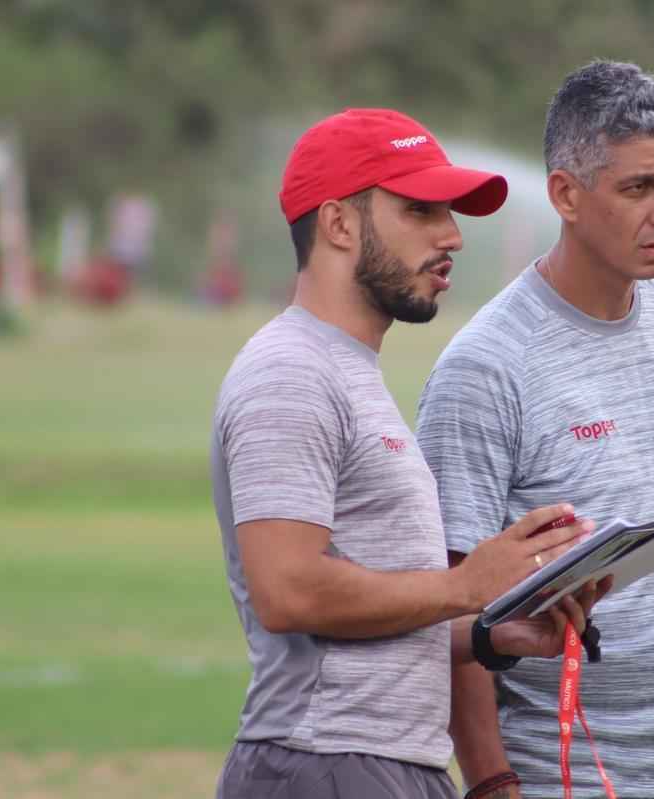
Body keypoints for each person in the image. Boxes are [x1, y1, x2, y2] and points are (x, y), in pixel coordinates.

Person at [210, 108, 607, 799]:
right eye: (420, 210)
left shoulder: (347, 370)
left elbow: (371, 614)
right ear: (338, 224)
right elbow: (287, 588)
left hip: (377, 765)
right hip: (324, 762)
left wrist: (495, 629)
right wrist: (468, 585)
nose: (451, 234)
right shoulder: (291, 373)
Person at [416, 61, 654, 799]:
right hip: (556, 778)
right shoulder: (487, 365)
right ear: (566, 196)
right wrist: (491, 780)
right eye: (640, 187)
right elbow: (448, 602)